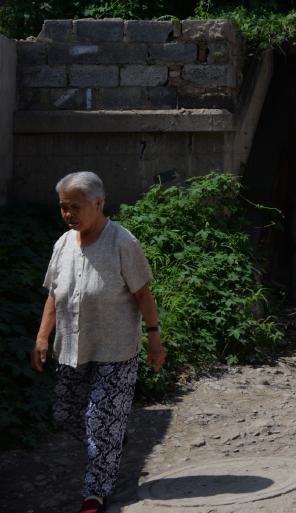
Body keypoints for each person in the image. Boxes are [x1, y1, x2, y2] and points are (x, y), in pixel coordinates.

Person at [31, 172, 166, 513]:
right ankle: (113, 437)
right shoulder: (63, 244)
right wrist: (43, 336)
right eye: (63, 207)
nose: (68, 214)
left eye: (75, 207)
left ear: (98, 203)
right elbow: (54, 295)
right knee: (65, 413)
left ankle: (96, 493)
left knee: (98, 421)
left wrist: (154, 337)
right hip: (72, 348)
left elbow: (142, 293)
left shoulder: (122, 242)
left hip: (115, 350)